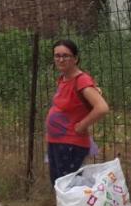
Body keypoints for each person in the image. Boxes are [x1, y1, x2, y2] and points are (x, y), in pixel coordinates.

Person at [45, 39, 110, 185]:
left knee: (69, 187)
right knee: (59, 185)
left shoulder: (81, 80)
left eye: (66, 56)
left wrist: (81, 125)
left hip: (70, 144)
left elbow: (102, 107)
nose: (61, 59)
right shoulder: (63, 79)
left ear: (75, 58)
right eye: (57, 56)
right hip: (56, 141)